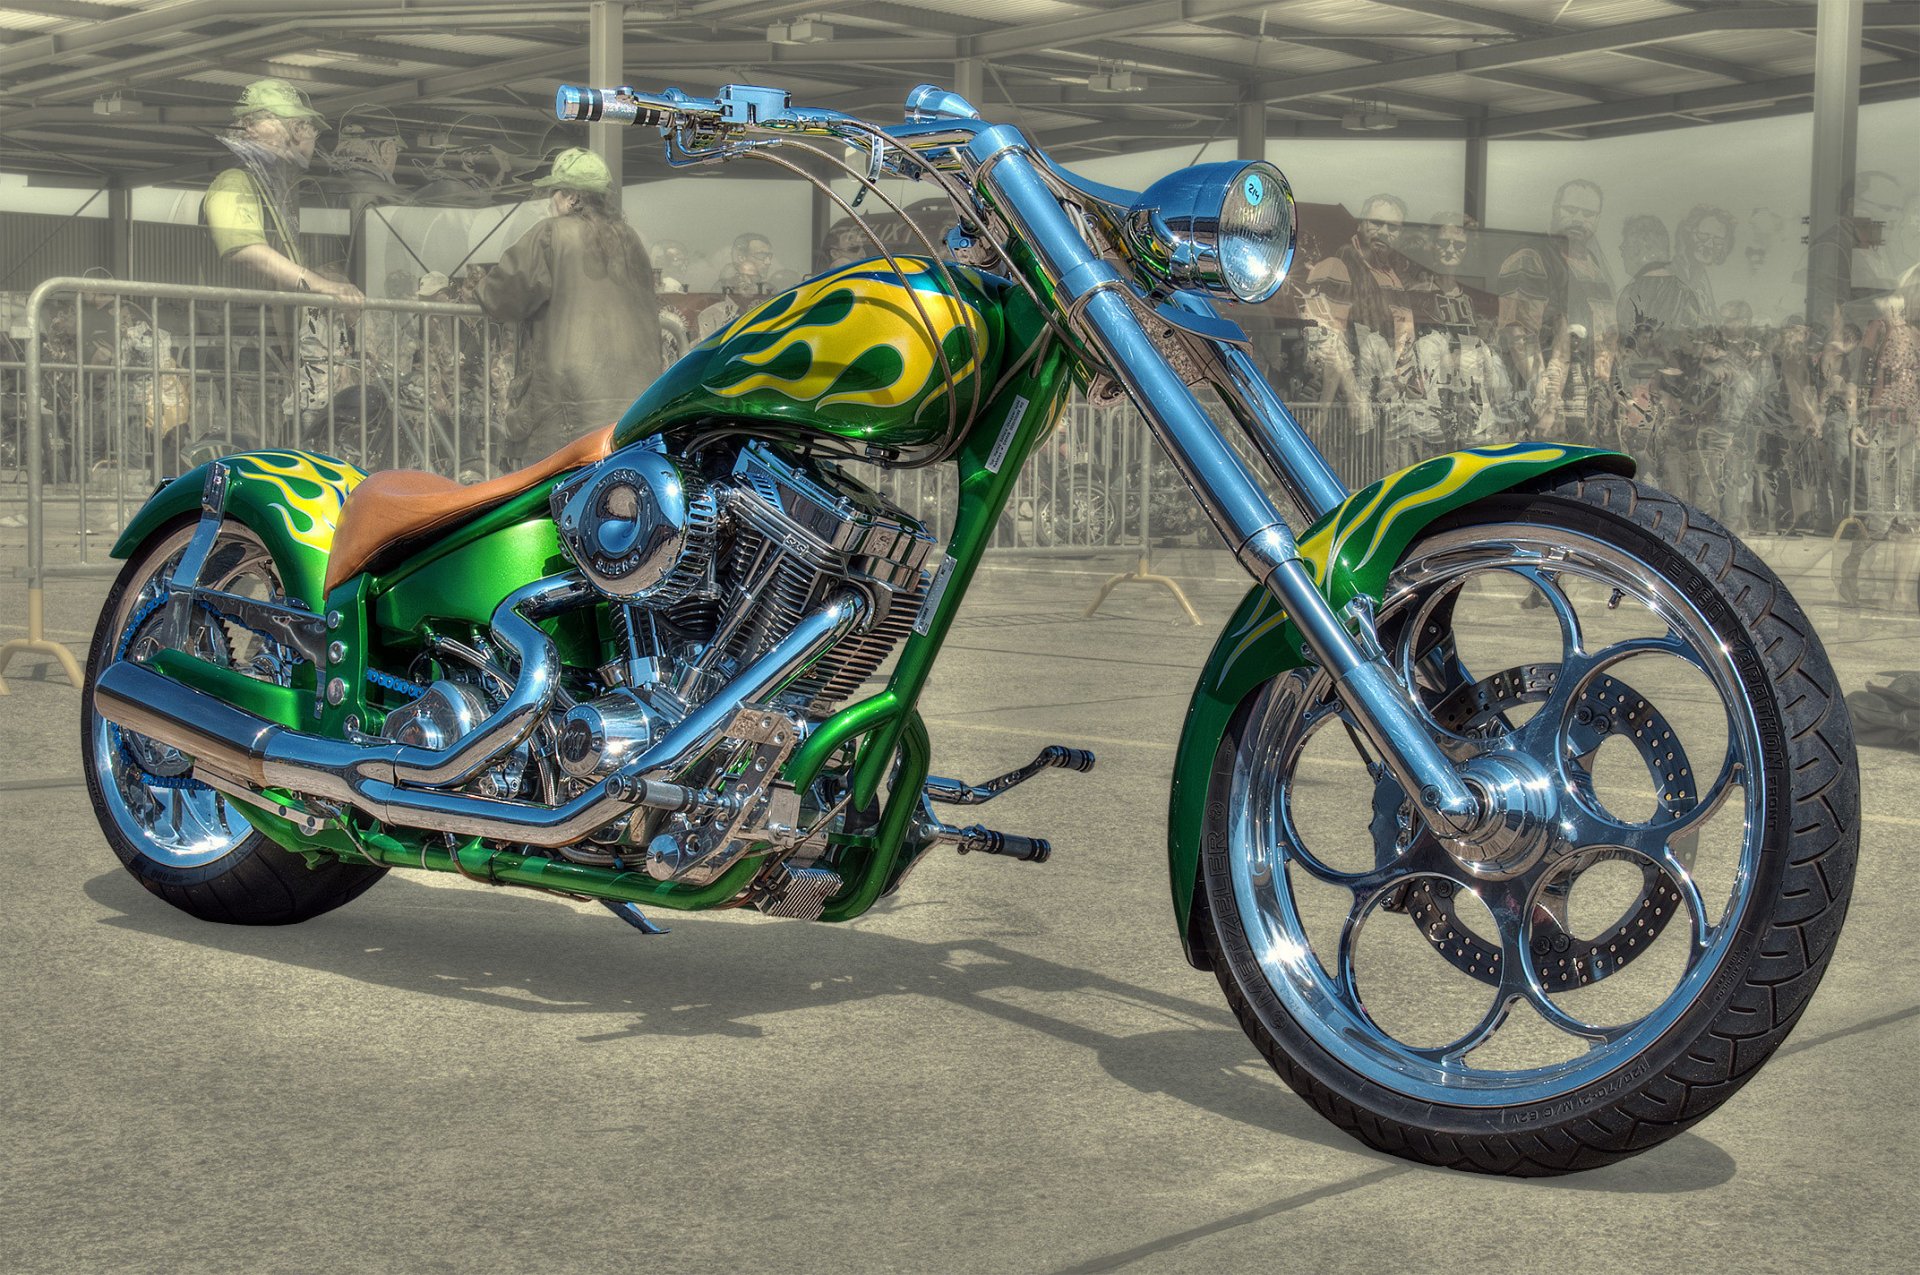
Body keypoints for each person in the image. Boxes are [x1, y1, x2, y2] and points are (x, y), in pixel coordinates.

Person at [477, 147, 663, 467]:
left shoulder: (551, 233)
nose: (550, 201)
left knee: (557, 494)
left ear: (570, 198)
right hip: (635, 407)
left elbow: (500, 296)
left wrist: (476, 288)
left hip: (567, 408)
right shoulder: (630, 239)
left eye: (554, 193)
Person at [202, 78, 363, 304]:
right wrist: (319, 284)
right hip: (242, 320)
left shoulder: (274, 191)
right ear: (249, 126)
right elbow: (246, 253)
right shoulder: (234, 182)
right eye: (293, 125)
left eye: (305, 127)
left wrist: (318, 278)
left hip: (265, 320)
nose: (299, 136)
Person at [1498, 178, 1616, 444]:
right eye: (1571, 210)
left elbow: (1606, 334)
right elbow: (1520, 335)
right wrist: (1546, 401)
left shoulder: (1593, 264)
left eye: (1588, 214)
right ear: (1555, 209)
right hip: (1545, 396)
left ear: (1598, 219)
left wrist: (1603, 388)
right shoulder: (1532, 255)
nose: (1579, 219)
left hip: (1586, 399)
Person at [716, 232, 780, 297]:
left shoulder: (770, 289)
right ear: (741, 258)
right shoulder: (721, 289)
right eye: (761, 255)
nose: (768, 262)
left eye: (769, 256)